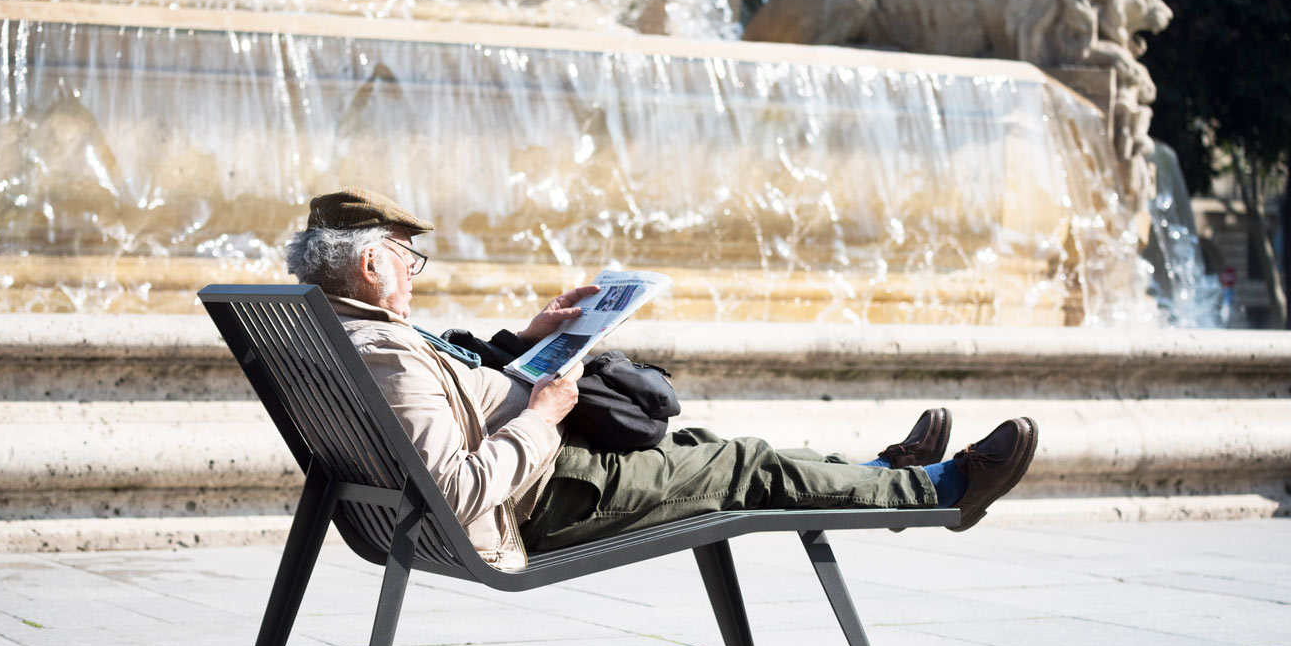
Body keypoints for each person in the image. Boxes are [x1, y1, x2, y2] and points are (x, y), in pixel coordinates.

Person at [286, 189, 1038, 570]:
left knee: (714, 446)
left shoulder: (340, 334)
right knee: (743, 464)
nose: (411, 274)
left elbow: (449, 407)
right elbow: (449, 487)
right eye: (403, 257)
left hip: (552, 479)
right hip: (549, 500)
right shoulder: (381, 351)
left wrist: (530, 342)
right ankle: (937, 492)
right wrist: (542, 416)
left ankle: (878, 475)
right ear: (372, 261)